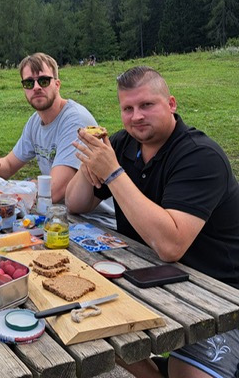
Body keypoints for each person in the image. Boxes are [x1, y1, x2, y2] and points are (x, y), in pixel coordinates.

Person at [65, 65, 239, 378]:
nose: (136, 117)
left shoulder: (200, 156)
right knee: (84, 321)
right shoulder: (122, 144)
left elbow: (170, 245)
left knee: (188, 373)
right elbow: (76, 203)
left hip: (217, 295)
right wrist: (90, 161)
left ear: (171, 104)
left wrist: (113, 173)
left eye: (146, 105)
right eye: (127, 109)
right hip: (149, 276)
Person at [0, 52, 116, 226]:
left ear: (57, 84)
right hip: (60, 214)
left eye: (43, 81)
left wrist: (16, 187)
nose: (36, 87)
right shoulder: (35, 121)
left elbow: (54, 191)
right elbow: (8, 166)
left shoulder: (75, 121)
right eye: (29, 83)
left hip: (96, 221)